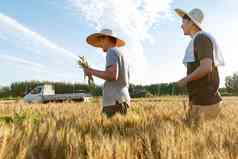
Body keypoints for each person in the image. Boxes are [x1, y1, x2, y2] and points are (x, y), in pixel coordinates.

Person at [174, 8, 225, 121]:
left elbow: (206, 67)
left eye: (183, 22)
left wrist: (185, 80)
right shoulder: (198, 40)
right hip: (201, 101)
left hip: (205, 103)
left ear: (191, 22)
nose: (181, 26)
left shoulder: (201, 39)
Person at [84, 29, 130, 118]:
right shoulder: (122, 54)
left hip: (113, 102)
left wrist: (91, 71)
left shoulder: (111, 51)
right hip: (122, 100)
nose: (100, 44)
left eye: (100, 40)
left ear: (106, 38)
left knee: (108, 131)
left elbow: (112, 75)